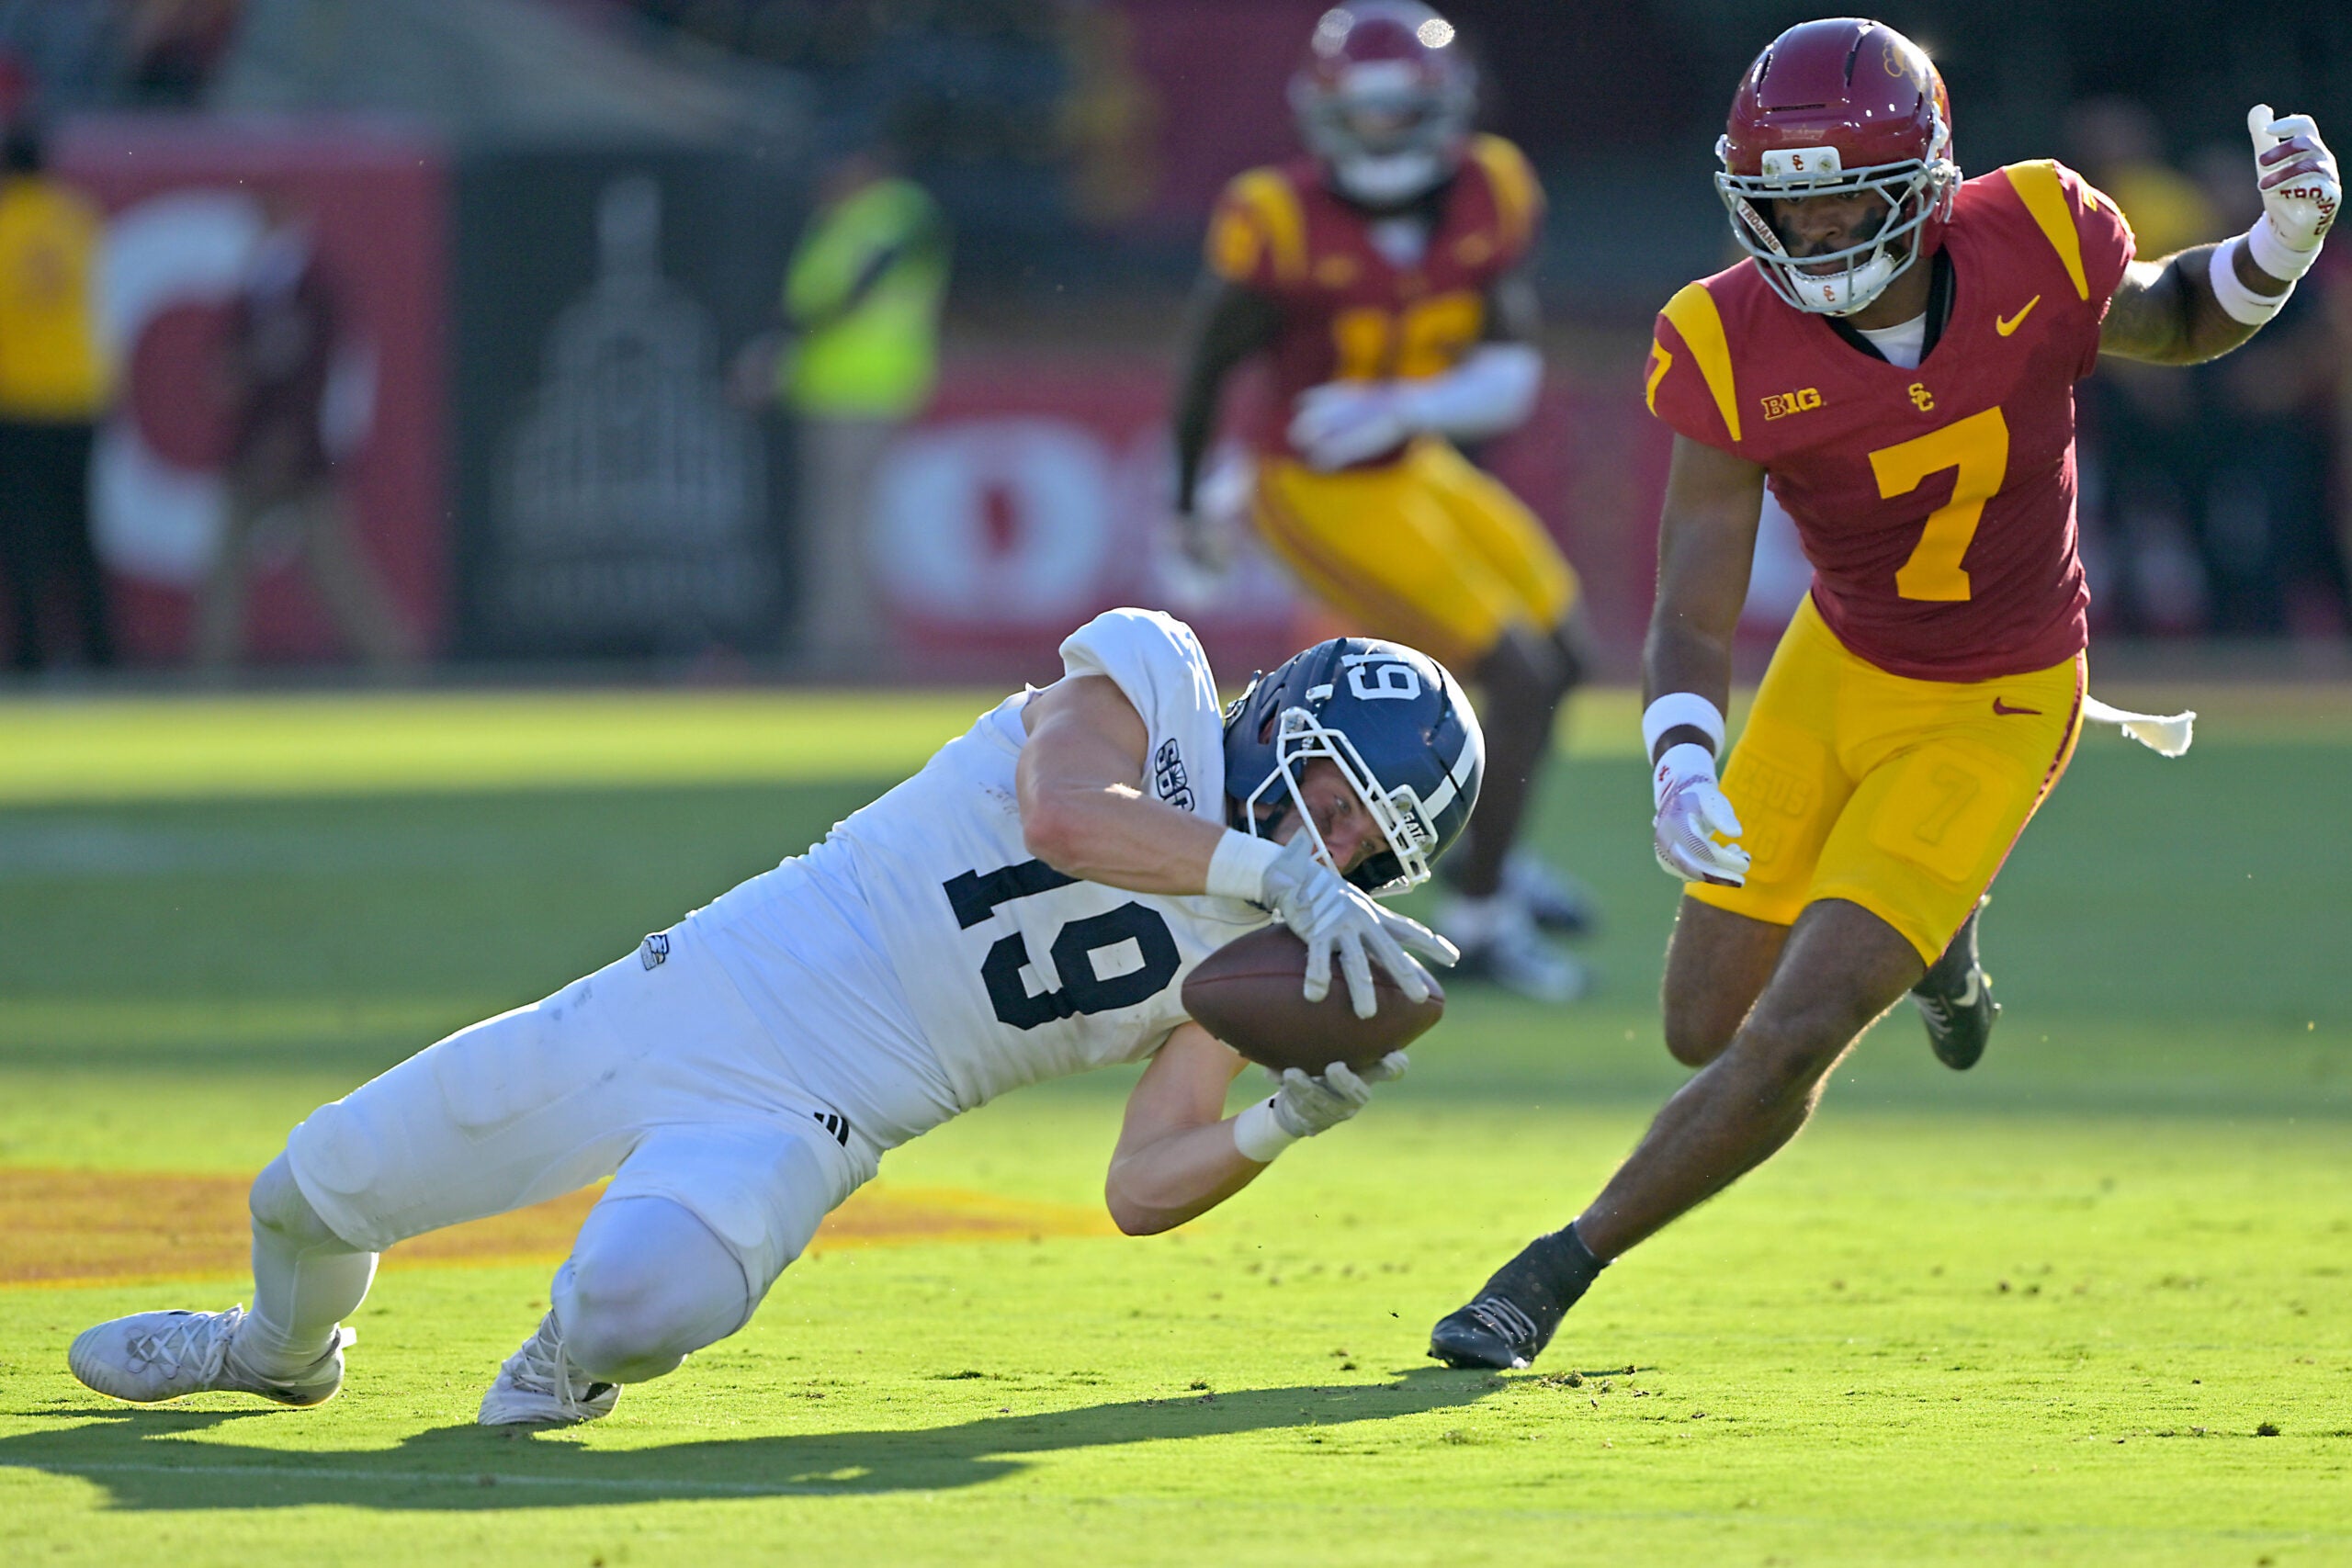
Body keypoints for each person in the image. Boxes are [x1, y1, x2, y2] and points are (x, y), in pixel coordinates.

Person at [1428, 17, 2337, 1371]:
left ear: (1922, 180)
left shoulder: (2035, 228)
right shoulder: (1724, 335)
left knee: (1794, 1033)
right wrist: (1680, 755)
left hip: (2004, 692)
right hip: (1837, 665)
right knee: (1699, 1025)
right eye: (1784, 207)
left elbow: (2170, 314)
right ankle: (1944, 934)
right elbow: (1690, 600)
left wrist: (2278, 248)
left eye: (1845, 195)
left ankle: (1553, 1268)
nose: (1814, 234)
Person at [68, 608, 1476, 1425]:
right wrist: (1273, 864)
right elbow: (1066, 813)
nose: (1337, 843)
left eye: (1366, 844)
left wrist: (1281, 1118)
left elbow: (1136, 1182)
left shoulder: (1258, 954)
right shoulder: (1152, 677)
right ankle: (272, 1348)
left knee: (634, 1305)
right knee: (313, 1191)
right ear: (1284, 715)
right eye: (1336, 790)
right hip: (704, 988)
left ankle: (568, 1355)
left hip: (827, 1113)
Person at [1169, 0, 1591, 1003]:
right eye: (1363, 113)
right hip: (1311, 484)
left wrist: (1412, 400)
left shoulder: (1489, 187)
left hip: (1413, 461)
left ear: (1443, 106)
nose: (1382, 133)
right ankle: (1481, 920)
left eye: (1402, 111)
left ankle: (1492, 853)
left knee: (1566, 659)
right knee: (1521, 677)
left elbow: (1509, 361)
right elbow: (1206, 365)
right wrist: (1185, 503)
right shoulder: (1274, 218)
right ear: (1322, 112)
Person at [733, 149, 948, 672]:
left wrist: (781, 348)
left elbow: (849, 293)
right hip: (834, 389)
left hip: (863, 388)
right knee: (839, 519)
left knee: (843, 522)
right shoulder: (850, 219)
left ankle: (842, 644)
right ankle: (843, 636)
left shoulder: (896, 212)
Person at [193, 189, 414, 674]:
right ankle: (210, 678)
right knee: (233, 568)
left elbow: (318, 372)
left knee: (330, 569)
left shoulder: (313, 283)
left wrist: (291, 435)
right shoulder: (259, 282)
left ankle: (394, 667)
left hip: (297, 449)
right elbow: (229, 362)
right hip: (256, 445)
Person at [0, 121, 113, 671]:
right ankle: (102, 652)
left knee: (22, 536)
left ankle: (31, 657)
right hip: (80, 394)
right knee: (82, 533)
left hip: (20, 400)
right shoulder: (77, 217)